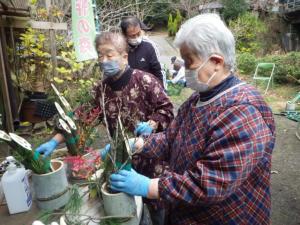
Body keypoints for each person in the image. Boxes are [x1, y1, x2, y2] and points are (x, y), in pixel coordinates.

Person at [108, 14, 276, 225]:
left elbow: (209, 183)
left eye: (189, 62)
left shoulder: (243, 112)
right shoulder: (198, 99)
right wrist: (138, 144)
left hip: (227, 217)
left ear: (216, 62)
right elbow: (171, 138)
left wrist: (149, 186)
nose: (184, 69)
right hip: (186, 212)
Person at [35, 31, 173, 225]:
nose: (103, 60)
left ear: (124, 56)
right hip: (120, 163)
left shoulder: (145, 81)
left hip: (152, 161)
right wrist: (53, 141)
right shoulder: (100, 90)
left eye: (110, 55)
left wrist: (152, 124)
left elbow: (167, 109)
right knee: (129, 212)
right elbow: (79, 118)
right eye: (100, 55)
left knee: (158, 212)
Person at [120, 16, 163, 83]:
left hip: (148, 88)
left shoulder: (149, 47)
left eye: (138, 33)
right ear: (124, 35)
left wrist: (162, 90)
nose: (136, 37)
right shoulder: (119, 50)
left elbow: (158, 71)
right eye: (132, 35)